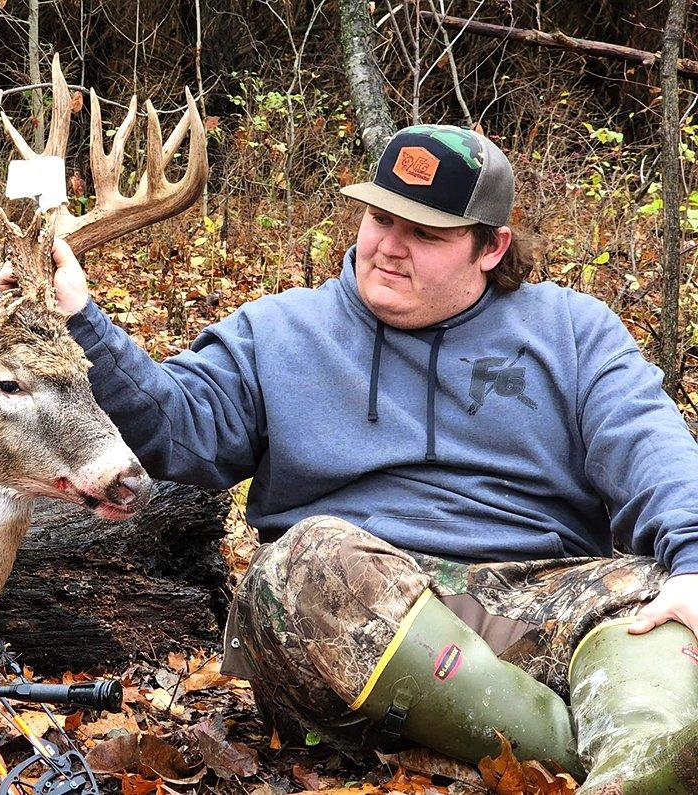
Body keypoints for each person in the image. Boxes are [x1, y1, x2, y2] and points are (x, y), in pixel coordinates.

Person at [46, 125, 698, 793]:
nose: (388, 246)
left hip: (536, 601)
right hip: (347, 628)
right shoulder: (278, 332)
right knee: (307, 560)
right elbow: (175, 429)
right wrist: (81, 321)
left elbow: (651, 445)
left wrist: (693, 563)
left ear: (491, 247)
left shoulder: (573, 332)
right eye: (380, 218)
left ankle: (627, 769)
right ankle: (621, 757)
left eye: (425, 233)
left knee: (658, 594)